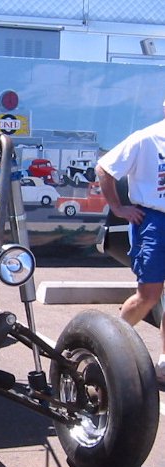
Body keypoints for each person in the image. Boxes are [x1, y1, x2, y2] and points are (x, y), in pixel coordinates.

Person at [95, 102, 165, 383]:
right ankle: (110, 347)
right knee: (148, 295)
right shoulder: (146, 138)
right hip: (154, 221)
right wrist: (119, 207)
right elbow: (105, 169)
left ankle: (164, 364)